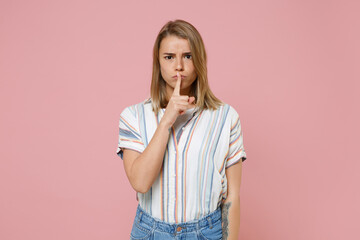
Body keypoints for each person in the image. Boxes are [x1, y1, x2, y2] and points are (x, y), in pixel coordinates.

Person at [116, 19, 247, 240]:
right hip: (151, 232)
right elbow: (140, 182)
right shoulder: (133, 117)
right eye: (169, 57)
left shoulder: (226, 117)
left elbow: (232, 196)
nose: (179, 65)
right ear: (158, 63)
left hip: (207, 232)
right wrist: (167, 119)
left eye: (188, 56)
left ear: (200, 61)